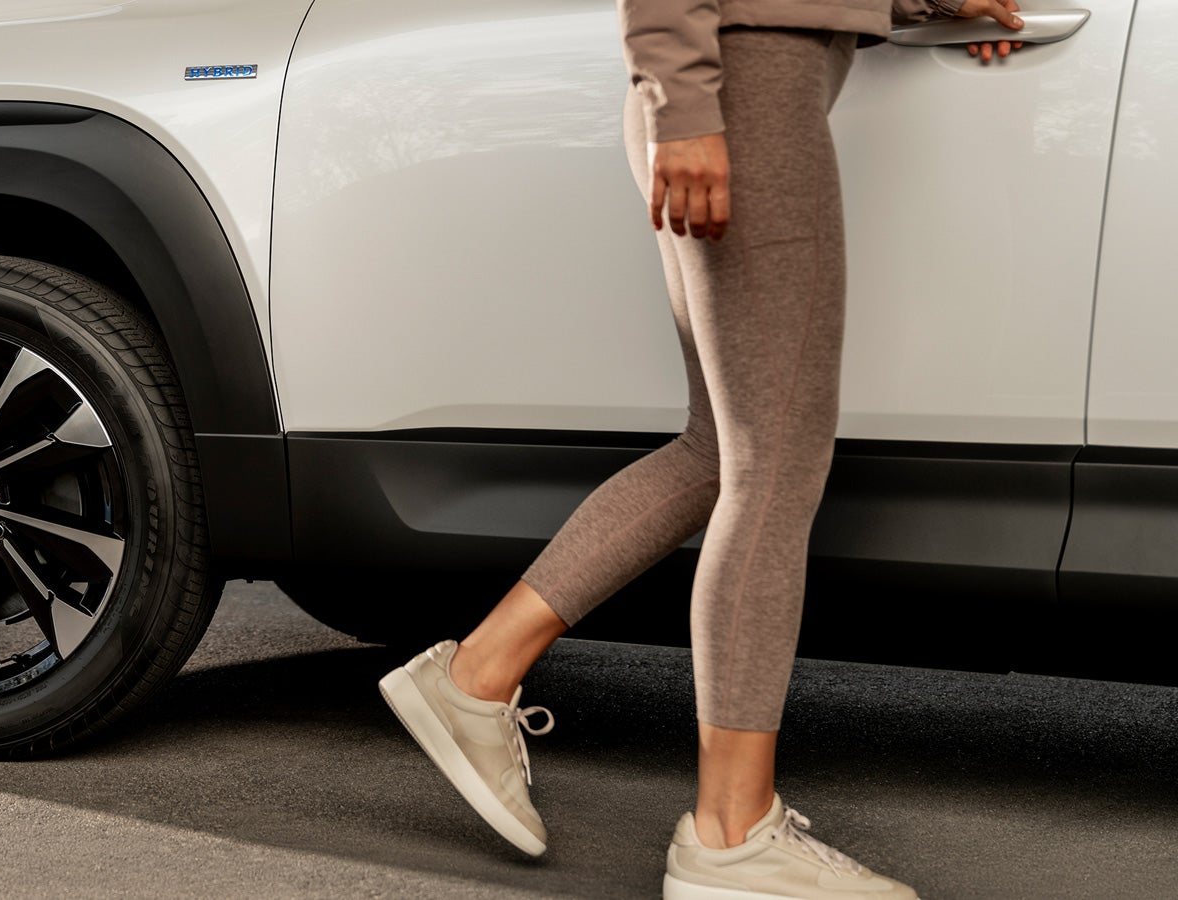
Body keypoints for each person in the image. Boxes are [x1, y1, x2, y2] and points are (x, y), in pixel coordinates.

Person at [377, 1, 1028, 897]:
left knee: (723, 449)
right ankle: (731, 836)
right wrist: (683, 98)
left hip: (737, 80)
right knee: (775, 462)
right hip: (742, 84)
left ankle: (476, 678)